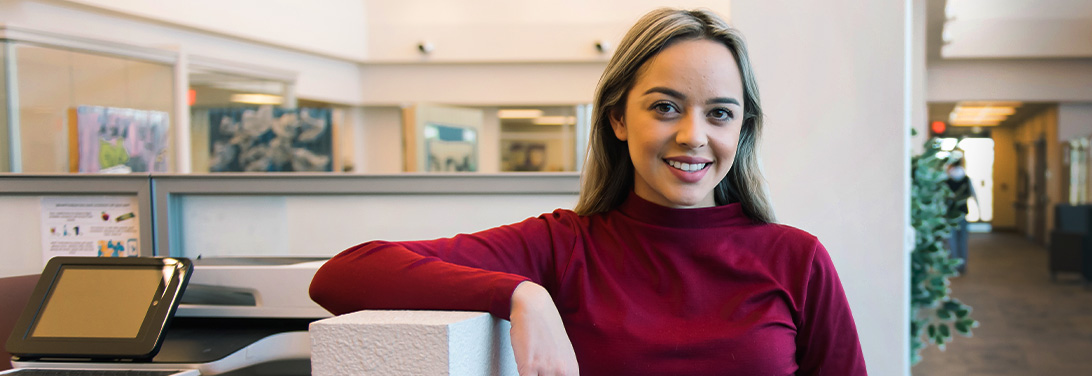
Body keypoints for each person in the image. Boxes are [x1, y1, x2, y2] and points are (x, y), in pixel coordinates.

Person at [308, 9, 866, 376]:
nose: (693, 135)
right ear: (618, 118)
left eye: (719, 113)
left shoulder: (797, 259)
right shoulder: (562, 245)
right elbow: (345, 273)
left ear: (740, 130)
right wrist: (521, 294)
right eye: (665, 107)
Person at [945, 156, 975, 274]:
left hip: (951, 214)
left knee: (951, 240)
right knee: (962, 240)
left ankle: (954, 265)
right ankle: (963, 265)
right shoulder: (966, 179)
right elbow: (972, 194)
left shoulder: (947, 179)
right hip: (962, 213)